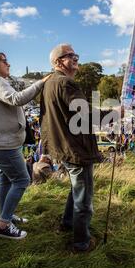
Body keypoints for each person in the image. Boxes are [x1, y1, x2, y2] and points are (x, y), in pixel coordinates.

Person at [0, 52, 50, 240]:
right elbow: (17, 99)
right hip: (3, 144)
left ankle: (5, 213)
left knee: (6, 179)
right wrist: (41, 82)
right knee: (22, 180)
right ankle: (4, 225)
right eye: (4, 61)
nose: (9, 64)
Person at [40, 44, 101, 253]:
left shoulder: (50, 83)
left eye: (76, 55)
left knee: (77, 187)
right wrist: (115, 114)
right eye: (70, 56)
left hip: (62, 146)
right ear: (58, 62)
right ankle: (81, 243)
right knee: (84, 199)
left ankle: (67, 223)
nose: (76, 58)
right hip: (75, 148)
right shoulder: (65, 83)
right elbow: (86, 114)